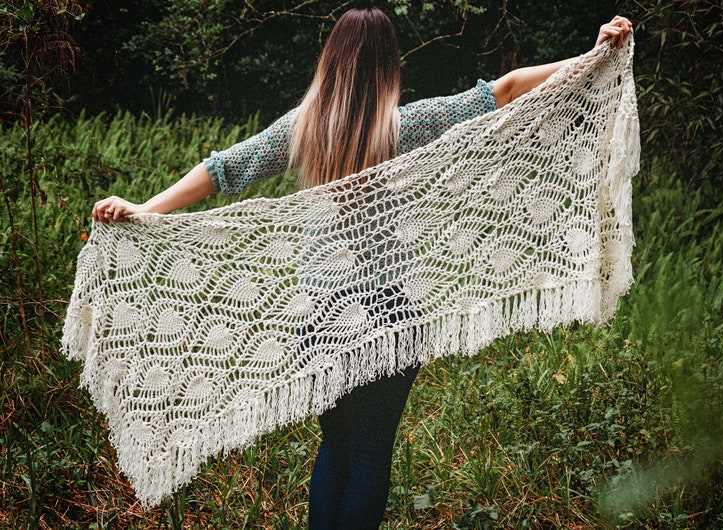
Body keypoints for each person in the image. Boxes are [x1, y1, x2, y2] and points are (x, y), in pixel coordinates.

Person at [92, 8, 631, 529]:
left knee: (336, 447)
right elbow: (509, 90)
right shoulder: (405, 125)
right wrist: (593, 54)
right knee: (372, 455)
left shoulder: (301, 131)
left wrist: (145, 209)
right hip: (390, 310)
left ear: (331, 61)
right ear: (387, 67)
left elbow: (223, 169)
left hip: (318, 314)